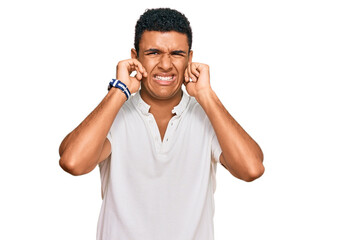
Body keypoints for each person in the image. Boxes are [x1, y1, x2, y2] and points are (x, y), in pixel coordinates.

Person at [58, 8, 264, 240]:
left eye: (176, 53)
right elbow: (73, 162)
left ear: (189, 58)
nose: (165, 64)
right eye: (153, 52)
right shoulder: (114, 115)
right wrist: (119, 91)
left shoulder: (208, 117)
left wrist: (206, 95)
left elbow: (251, 169)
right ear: (135, 57)